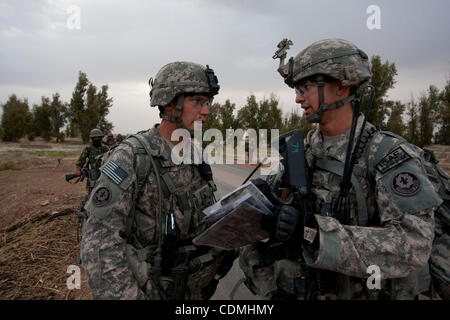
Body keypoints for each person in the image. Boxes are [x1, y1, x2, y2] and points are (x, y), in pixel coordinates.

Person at [239, 38, 442, 300]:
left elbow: (413, 246)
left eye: (307, 87)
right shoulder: (303, 150)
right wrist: (264, 206)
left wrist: (314, 232)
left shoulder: (385, 154)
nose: (298, 98)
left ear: (342, 88)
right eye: (297, 89)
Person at [80, 61, 237, 300]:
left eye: (208, 102)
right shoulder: (131, 157)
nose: (206, 111)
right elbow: (99, 245)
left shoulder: (195, 155)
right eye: (197, 101)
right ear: (170, 103)